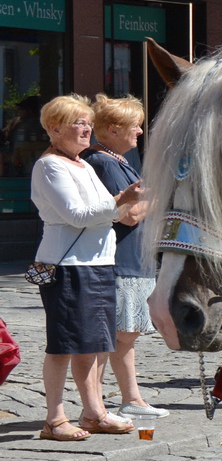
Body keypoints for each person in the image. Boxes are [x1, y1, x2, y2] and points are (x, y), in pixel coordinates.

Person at [29, 95, 145, 440]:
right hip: (68, 266)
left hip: (99, 263)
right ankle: (54, 419)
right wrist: (123, 200)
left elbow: (105, 212)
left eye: (88, 123)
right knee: (64, 344)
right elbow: (77, 215)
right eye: (78, 123)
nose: (86, 129)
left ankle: (94, 412)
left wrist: (125, 203)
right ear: (54, 128)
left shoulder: (82, 164)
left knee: (93, 344)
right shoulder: (50, 166)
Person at [84, 95, 165, 422]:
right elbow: (128, 215)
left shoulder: (115, 159)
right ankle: (98, 407)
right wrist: (161, 196)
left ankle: (130, 399)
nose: (140, 132)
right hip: (120, 260)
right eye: (135, 125)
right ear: (114, 129)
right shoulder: (104, 162)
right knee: (113, 335)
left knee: (124, 335)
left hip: (130, 259)